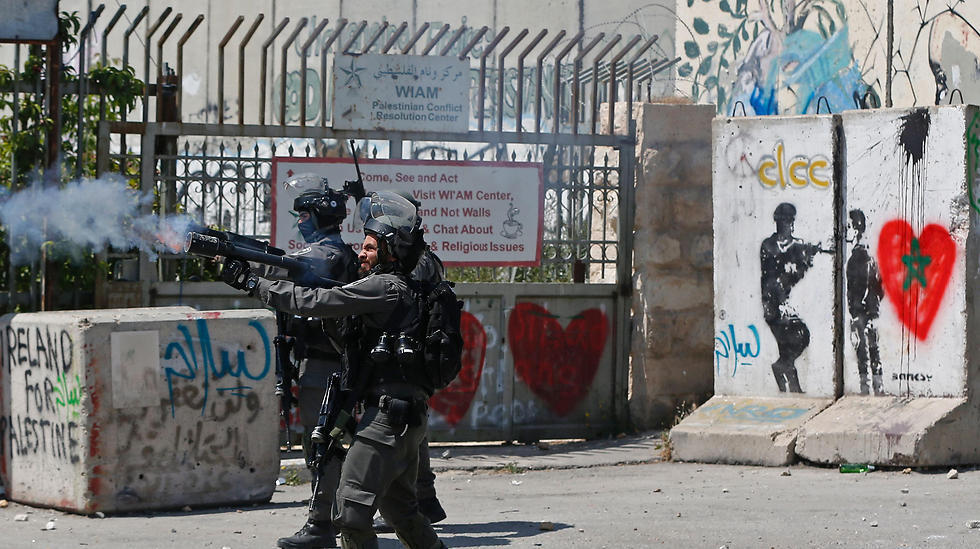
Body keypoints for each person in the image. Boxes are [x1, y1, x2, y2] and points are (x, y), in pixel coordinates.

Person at [222, 191, 445, 549]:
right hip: (404, 415)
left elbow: (314, 302)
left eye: (370, 248)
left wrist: (252, 283)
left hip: (388, 417)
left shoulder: (385, 287)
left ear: (389, 251)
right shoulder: (410, 285)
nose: (361, 253)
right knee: (401, 511)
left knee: (350, 514)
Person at [258, 183, 359, 549]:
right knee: (333, 443)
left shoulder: (322, 256)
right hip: (333, 364)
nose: (300, 222)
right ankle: (342, 517)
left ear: (318, 218)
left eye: (303, 215)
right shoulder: (343, 254)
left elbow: (281, 282)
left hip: (324, 367)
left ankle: (323, 525)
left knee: (321, 445)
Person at [759, 202, 826, 393]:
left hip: (785, 303)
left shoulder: (795, 245)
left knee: (795, 341)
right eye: (786, 221)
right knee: (797, 336)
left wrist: (805, 262)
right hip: (772, 304)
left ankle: (790, 385)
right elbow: (775, 272)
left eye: (791, 221)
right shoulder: (769, 246)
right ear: (779, 223)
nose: (790, 225)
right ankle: (787, 377)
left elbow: (794, 276)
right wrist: (796, 256)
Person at [845, 209, 884, 395]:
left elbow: (859, 285)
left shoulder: (858, 257)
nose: (846, 231)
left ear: (856, 228)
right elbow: (879, 284)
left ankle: (866, 388)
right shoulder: (870, 253)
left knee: (862, 351)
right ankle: (878, 386)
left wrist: (856, 310)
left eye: (849, 226)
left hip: (861, 311)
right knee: (873, 348)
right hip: (871, 310)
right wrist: (874, 304)